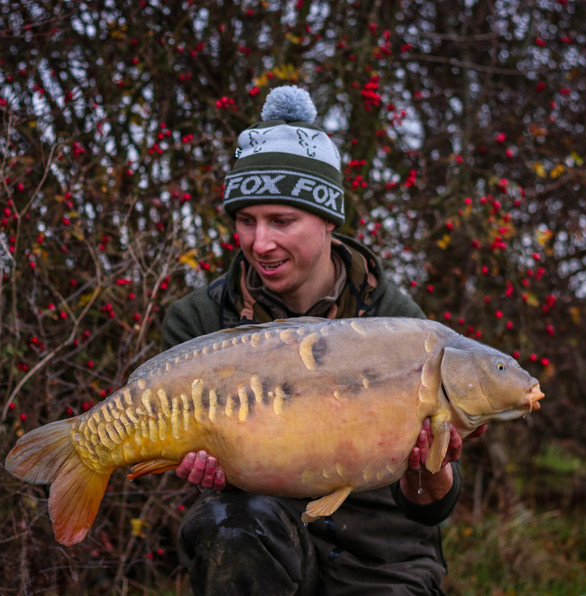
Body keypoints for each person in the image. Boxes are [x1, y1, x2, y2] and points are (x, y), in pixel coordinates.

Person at [161, 86, 485, 595]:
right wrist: (202, 463)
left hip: (383, 557)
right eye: (246, 221)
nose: (260, 243)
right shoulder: (199, 320)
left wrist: (431, 469)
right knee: (233, 528)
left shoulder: (399, 322)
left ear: (329, 220)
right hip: (266, 538)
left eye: (281, 221)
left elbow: (431, 507)